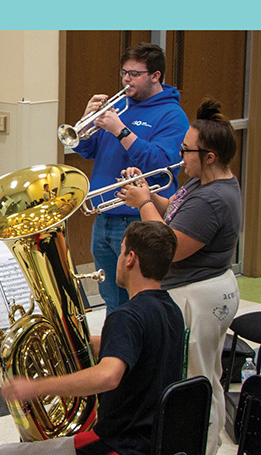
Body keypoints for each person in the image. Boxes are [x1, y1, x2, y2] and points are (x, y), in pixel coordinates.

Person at [118, 98, 242, 455]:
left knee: (194, 379)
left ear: (210, 156)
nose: (180, 154)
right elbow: (175, 209)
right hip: (198, 289)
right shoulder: (202, 183)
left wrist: (142, 204)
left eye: (187, 150)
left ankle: (198, 446)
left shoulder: (213, 199)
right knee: (200, 374)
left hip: (200, 295)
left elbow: (167, 246)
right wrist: (150, 196)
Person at [0, 221, 184, 455]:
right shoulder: (171, 309)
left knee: (6, 453)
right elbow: (141, 348)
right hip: (155, 440)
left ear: (130, 258)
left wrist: (36, 386)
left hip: (118, 445)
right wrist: (73, 341)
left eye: (122, 250)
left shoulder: (126, 316)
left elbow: (108, 376)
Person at [70, 42, 188, 313]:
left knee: (136, 304)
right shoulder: (119, 105)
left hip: (139, 220)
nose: (126, 79)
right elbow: (86, 149)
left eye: (134, 73)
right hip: (104, 218)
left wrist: (121, 131)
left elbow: (163, 165)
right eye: (124, 72)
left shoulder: (172, 116)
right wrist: (87, 120)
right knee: (112, 301)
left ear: (156, 76)